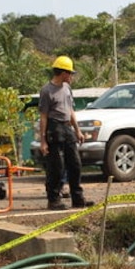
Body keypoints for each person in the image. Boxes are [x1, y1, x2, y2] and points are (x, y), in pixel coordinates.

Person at [38, 56, 93, 210]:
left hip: (67, 127)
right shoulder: (47, 90)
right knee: (56, 166)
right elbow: (43, 116)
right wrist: (43, 141)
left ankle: (78, 198)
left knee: (75, 163)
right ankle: (54, 199)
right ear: (62, 73)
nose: (71, 76)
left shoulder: (67, 88)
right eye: (70, 73)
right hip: (54, 128)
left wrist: (77, 130)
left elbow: (70, 110)